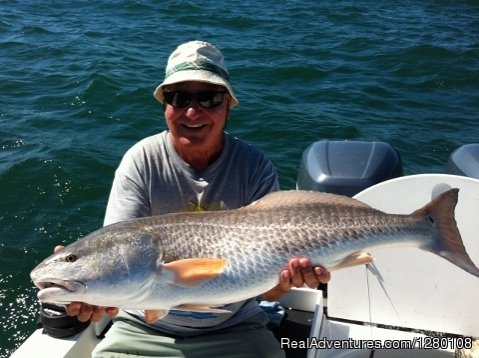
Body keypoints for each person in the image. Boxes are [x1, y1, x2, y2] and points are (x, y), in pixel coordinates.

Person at [64, 40, 330, 357]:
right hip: (142, 328)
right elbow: (120, 258)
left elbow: (268, 289)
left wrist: (289, 280)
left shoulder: (254, 166)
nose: (192, 111)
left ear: (228, 104)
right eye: (179, 98)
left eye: (209, 98)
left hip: (237, 327)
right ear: (165, 107)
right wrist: (92, 294)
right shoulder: (141, 161)